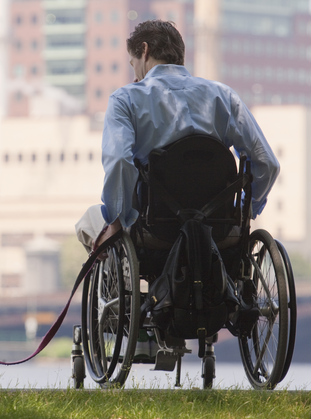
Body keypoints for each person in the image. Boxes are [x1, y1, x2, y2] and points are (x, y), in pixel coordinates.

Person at [76, 19, 280, 255]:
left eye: (133, 65)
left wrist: (117, 220)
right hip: (219, 228)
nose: (135, 76)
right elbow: (268, 164)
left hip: (155, 230)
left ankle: (116, 283)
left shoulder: (125, 99)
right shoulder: (224, 96)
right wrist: (245, 210)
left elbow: (120, 161)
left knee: (87, 223)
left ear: (144, 51)